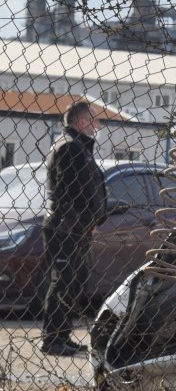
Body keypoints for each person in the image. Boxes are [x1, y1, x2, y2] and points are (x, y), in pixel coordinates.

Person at [41, 101, 106, 356]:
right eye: (94, 120)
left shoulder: (79, 147)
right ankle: (52, 340)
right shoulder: (70, 148)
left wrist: (89, 223)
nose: (98, 125)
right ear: (81, 122)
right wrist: (85, 222)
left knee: (72, 284)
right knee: (62, 283)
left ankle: (61, 336)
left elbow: (87, 192)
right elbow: (70, 194)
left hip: (75, 227)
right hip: (66, 228)